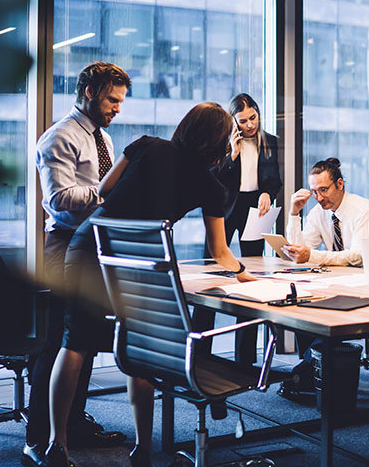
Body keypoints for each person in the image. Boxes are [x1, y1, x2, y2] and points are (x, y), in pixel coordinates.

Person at [44, 102, 257, 467]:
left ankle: (56, 444)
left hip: (92, 242)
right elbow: (219, 251)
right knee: (139, 350)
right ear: (221, 141)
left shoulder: (147, 144)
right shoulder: (211, 185)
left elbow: (105, 190)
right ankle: (142, 448)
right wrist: (243, 272)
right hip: (143, 257)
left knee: (74, 342)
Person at [24, 62, 131, 467]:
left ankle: (72, 423)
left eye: (120, 101)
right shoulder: (59, 137)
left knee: (83, 338)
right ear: (89, 92)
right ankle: (38, 439)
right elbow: (58, 201)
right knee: (57, 344)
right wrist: (108, 194)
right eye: (111, 99)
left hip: (96, 245)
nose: (117, 108)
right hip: (65, 246)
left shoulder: (102, 136)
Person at [279, 157, 369, 399]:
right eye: (314, 191)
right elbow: (300, 249)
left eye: (323, 190)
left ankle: (305, 372)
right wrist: (294, 214)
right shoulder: (319, 212)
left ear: (340, 184)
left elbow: (358, 256)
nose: (318, 197)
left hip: (368, 281)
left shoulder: (362, 209)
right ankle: (312, 372)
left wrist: (312, 255)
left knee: (319, 313)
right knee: (302, 306)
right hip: (339, 279)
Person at [212, 93, 282, 364]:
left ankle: (245, 356)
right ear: (233, 120)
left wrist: (268, 193)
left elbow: (274, 180)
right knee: (214, 270)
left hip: (256, 209)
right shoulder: (223, 141)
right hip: (228, 208)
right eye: (243, 121)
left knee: (251, 275)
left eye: (253, 118)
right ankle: (202, 349)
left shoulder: (270, 142)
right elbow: (215, 177)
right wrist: (232, 154)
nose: (250, 125)